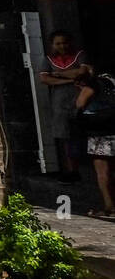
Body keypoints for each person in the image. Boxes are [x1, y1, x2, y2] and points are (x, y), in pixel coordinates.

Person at [40, 30, 92, 182]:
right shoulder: (48, 59)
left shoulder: (79, 55)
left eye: (64, 42)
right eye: (58, 43)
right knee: (66, 137)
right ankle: (72, 170)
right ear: (53, 45)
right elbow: (45, 79)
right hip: (60, 103)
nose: (62, 46)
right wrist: (69, 79)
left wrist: (57, 74)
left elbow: (82, 72)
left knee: (85, 134)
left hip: (81, 100)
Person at [76, 71, 115, 218]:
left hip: (101, 132)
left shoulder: (95, 83)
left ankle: (109, 207)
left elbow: (80, 103)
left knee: (102, 172)